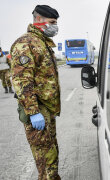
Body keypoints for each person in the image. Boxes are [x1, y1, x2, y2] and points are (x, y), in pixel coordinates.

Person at [10, 5, 61, 180]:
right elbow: (22, 81)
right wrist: (33, 112)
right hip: (37, 112)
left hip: (46, 111)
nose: (55, 26)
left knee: (51, 156)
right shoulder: (26, 43)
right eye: (52, 22)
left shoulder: (42, 43)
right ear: (39, 19)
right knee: (46, 162)